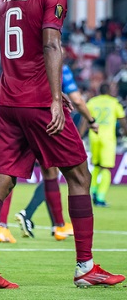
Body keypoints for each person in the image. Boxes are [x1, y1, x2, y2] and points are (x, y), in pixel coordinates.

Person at [0, 0, 124, 289]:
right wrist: (56, 100)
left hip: (6, 101)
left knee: (0, 181)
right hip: (38, 103)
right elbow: (50, 44)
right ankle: (85, 267)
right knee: (79, 176)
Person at [15, 63, 99, 240]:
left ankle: (53, 224)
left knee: (48, 172)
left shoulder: (30, 63)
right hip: (51, 121)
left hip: (25, 118)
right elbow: (76, 100)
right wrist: (91, 121)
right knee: (75, 175)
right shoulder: (59, 66)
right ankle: (52, 223)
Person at [80, 82, 127, 207]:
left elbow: (85, 120)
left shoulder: (92, 102)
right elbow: (123, 121)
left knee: (96, 166)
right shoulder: (114, 103)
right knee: (106, 168)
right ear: (109, 91)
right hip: (107, 139)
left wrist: (79, 136)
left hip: (94, 137)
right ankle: (100, 197)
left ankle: (93, 191)